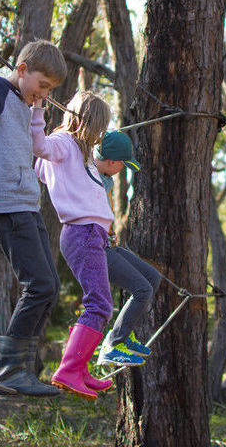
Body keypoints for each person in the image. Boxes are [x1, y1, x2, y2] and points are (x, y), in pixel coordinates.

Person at [0, 39, 67, 396]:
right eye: (43, 85)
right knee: (38, 285)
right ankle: (10, 370)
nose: (43, 94)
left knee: (48, 286)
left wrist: (37, 105)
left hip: (27, 203)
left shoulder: (23, 102)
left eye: (49, 90)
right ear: (21, 70)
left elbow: (35, 144)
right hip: (6, 202)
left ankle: (17, 366)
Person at [31, 91, 138, 401]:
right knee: (100, 304)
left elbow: (43, 169)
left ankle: (79, 370)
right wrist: (37, 107)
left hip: (92, 232)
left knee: (99, 303)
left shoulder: (78, 151)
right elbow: (40, 149)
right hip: (82, 232)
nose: (101, 134)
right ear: (88, 122)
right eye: (100, 126)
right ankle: (69, 369)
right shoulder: (64, 142)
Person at [93, 131, 160, 368]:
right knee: (142, 289)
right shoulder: (89, 174)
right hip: (92, 248)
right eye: (123, 165)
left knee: (153, 278)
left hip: (107, 244)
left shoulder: (106, 178)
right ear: (111, 161)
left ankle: (124, 334)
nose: (123, 169)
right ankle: (113, 345)